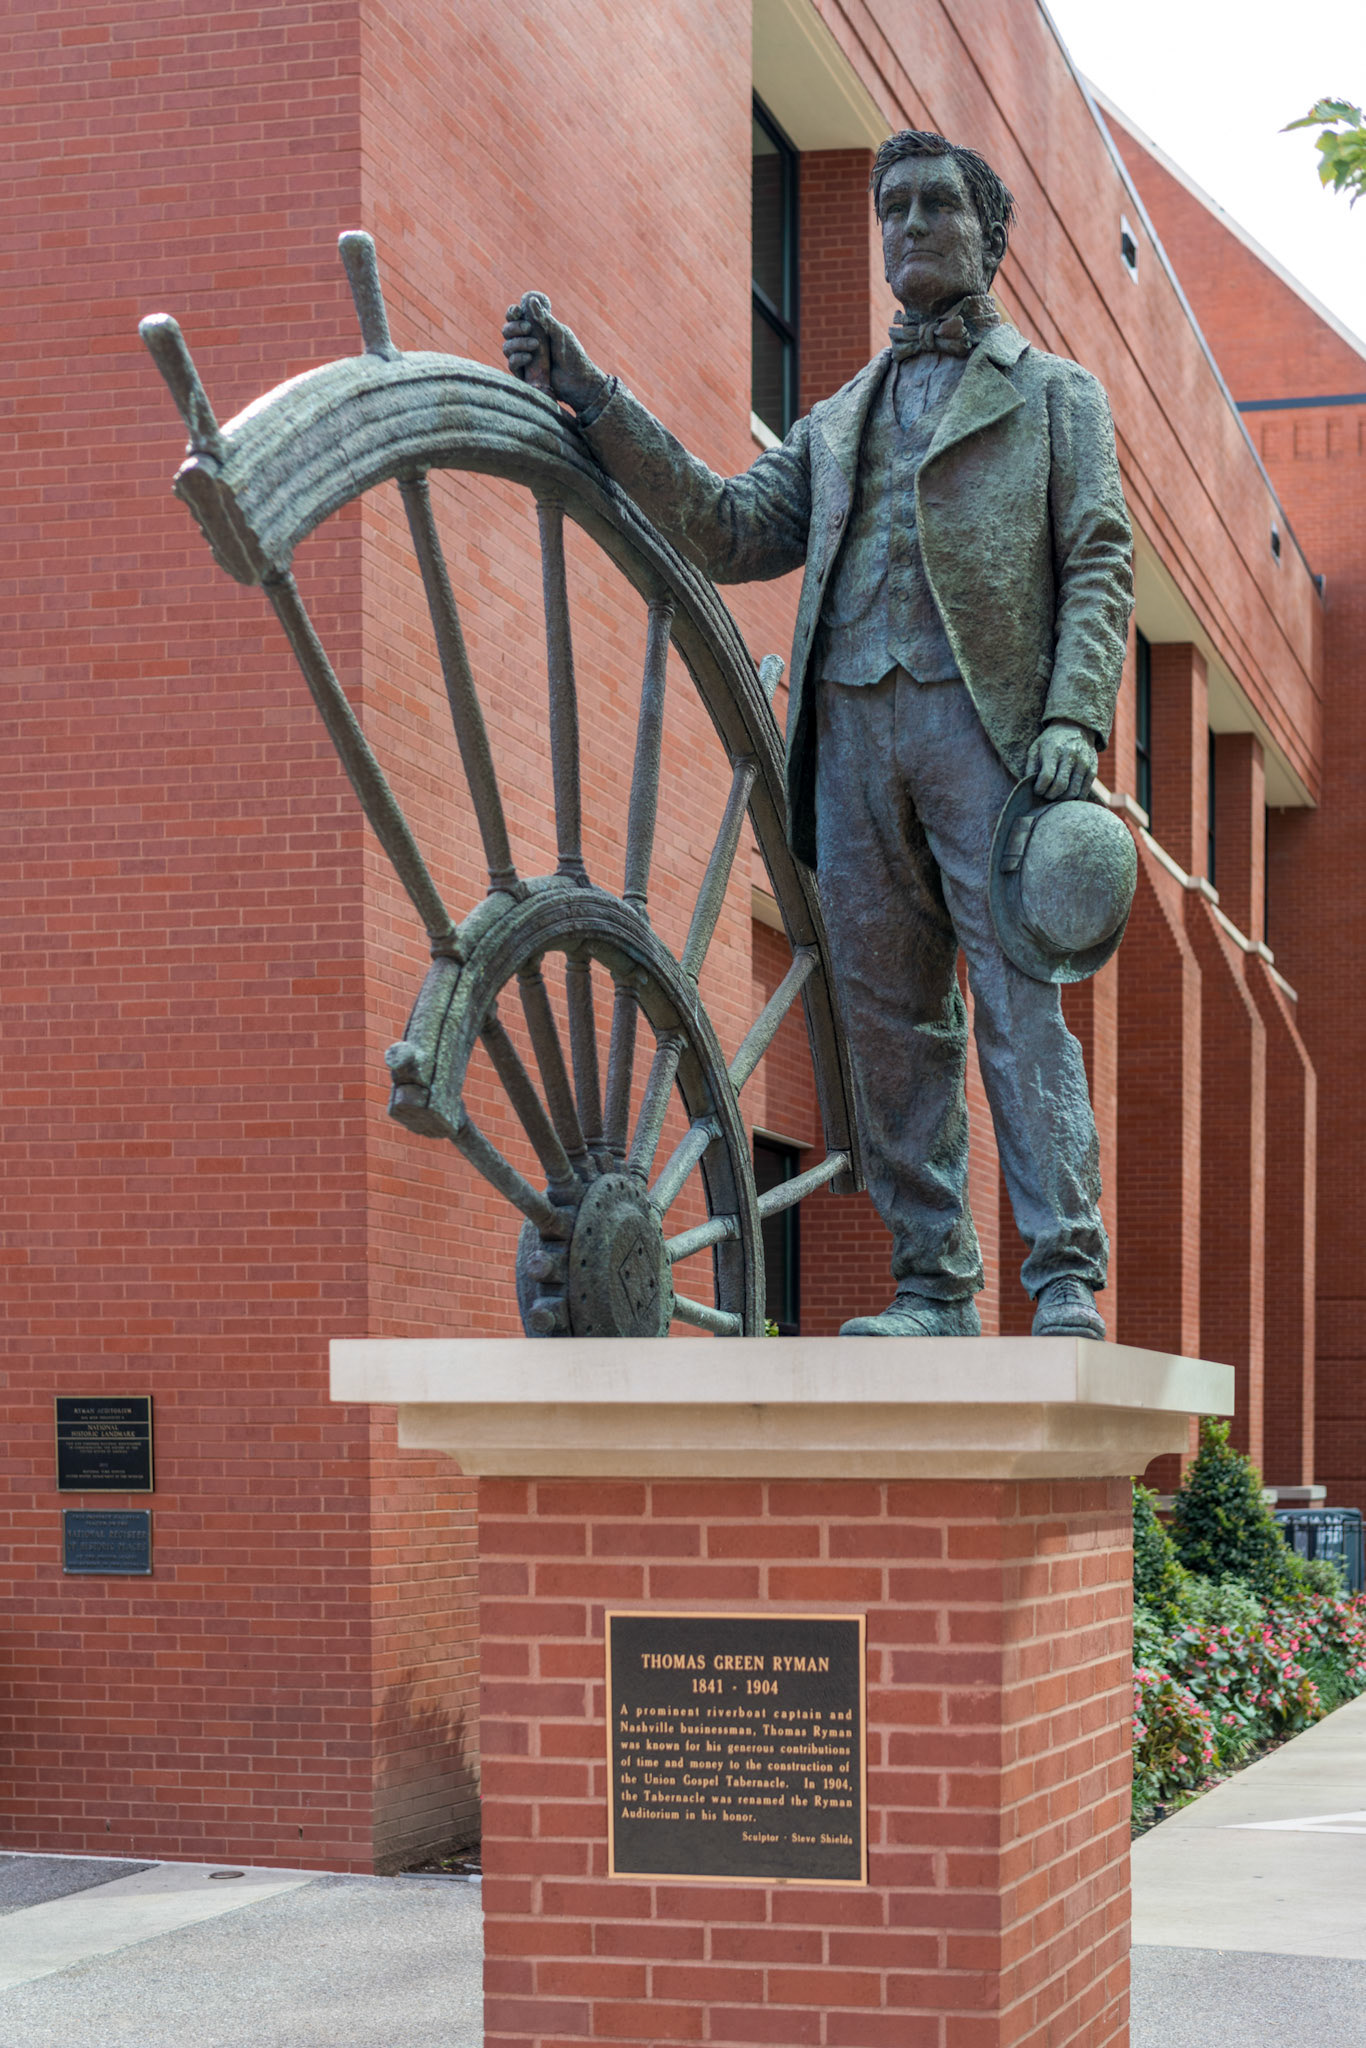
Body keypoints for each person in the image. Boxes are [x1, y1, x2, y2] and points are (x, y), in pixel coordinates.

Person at [502, 128, 1133, 1339]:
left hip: (989, 741)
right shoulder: (836, 423)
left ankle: (1062, 1273)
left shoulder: (1057, 398)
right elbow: (727, 526)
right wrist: (596, 398)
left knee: (1018, 1009)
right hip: (847, 740)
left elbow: (1099, 557)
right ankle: (932, 1283)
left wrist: (1071, 713)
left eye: (936, 204)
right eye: (892, 207)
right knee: (889, 1027)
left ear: (989, 235)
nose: (909, 224)